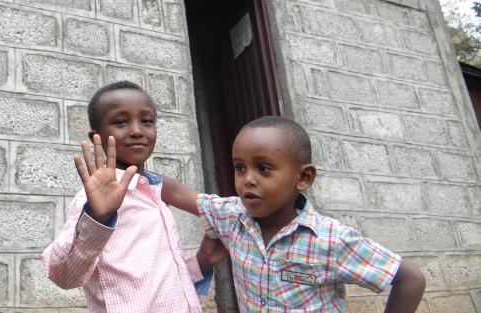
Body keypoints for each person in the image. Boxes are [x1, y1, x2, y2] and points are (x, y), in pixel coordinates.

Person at [161, 115, 426, 313]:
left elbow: (410, 280)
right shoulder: (231, 217)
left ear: (303, 177)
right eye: (240, 168)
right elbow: (176, 193)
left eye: (264, 169)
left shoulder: (331, 240)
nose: (247, 180)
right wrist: (127, 168)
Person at [42, 81, 228, 313]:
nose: (137, 130)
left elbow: (156, 283)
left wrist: (202, 261)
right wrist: (98, 218)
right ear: (96, 137)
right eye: (120, 122)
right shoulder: (95, 203)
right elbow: (64, 276)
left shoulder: (154, 192)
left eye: (147, 121)